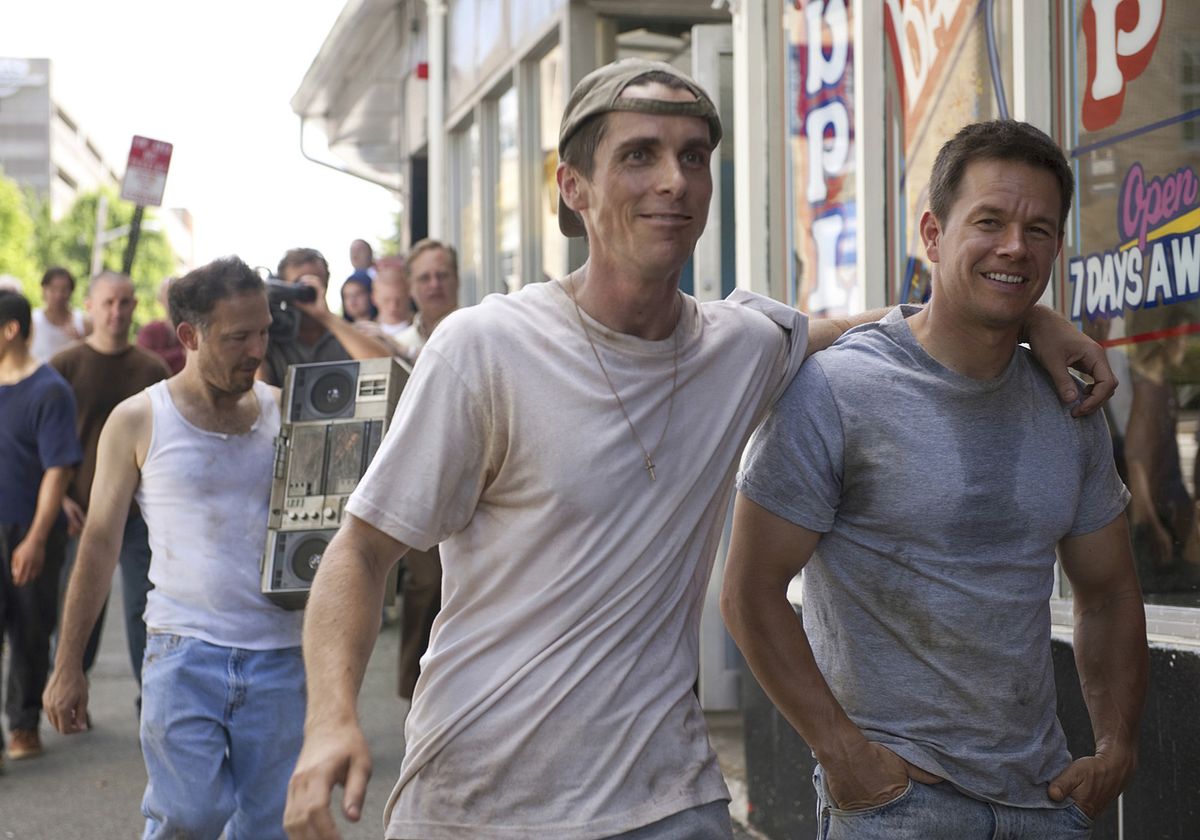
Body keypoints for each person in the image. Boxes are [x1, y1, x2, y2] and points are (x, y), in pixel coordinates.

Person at [283, 61, 1118, 840]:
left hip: (671, 799)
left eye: (692, 157)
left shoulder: (741, 346)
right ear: (571, 188)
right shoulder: (485, 348)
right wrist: (331, 719)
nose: (672, 182)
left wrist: (1033, 319)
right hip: (479, 799)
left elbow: (910, 324)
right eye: (637, 156)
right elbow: (360, 551)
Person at [722, 120, 1148, 839]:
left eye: (1039, 229)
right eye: (990, 220)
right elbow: (749, 592)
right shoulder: (836, 389)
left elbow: (1106, 590)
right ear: (933, 233)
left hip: (1045, 802)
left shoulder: (1068, 402)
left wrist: (1118, 748)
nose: (1016, 245)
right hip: (898, 804)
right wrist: (843, 754)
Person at [44, 258, 305, 839]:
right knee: (188, 817)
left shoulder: (285, 410)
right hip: (182, 652)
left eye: (263, 331)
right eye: (239, 336)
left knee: (269, 826)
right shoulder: (139, 419)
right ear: (191, 336)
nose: (256, 348)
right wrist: (68, 667)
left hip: (279, 655)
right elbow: (100, 542)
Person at [50, 271, 170, 686]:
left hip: (138, 513)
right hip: (79, 511)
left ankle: (149, 697)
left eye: (124, 302)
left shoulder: (151, 369)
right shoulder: (65, 365)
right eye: (107, 302)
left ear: (136, 305)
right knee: (78, 605)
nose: (116, 311)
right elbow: (41, 442)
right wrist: (59, 499)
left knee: (144, 606)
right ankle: (67, 687)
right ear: (89, 306)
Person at [0, 289, 82, 765]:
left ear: (11, 330)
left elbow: (58, 469)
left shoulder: (49, 390)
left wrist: (34, 537)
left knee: (30, 629)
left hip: (29, 529)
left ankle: (23, 725)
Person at [259, 247, 392, 387]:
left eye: (313, 284)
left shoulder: (348, 335)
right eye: (298, 284)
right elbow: (258, 394)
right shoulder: (273, 339)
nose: (307, 289)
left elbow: (385, 368)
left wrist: (326, 317)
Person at [388, 239, 460, 363]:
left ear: (457, 280)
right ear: (410, 287)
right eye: (424, 278)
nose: (434, 284)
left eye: (442, 275)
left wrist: (409, 352)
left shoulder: (476, 333)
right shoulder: (398, 344)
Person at [30, 266, 89, 361]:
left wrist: (80, 341)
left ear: (71, 292)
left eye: (64, 290)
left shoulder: (83, 322)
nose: (58, 295)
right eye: (53, 289)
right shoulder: (32, 320)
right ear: (44, 290)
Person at [137, 276, 186, 375]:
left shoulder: (193, 331)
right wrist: (181, 353)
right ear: (160, 299)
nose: (174, 299)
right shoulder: (149, 331)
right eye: (169, 294)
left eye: (178, 294)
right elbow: (143, 362)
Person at [361, 257, 412, 339]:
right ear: (374, 298)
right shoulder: (363, 335)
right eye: (386, 301)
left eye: (399, 300)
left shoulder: (428, 331)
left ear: (409, 294)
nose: (393, 307)